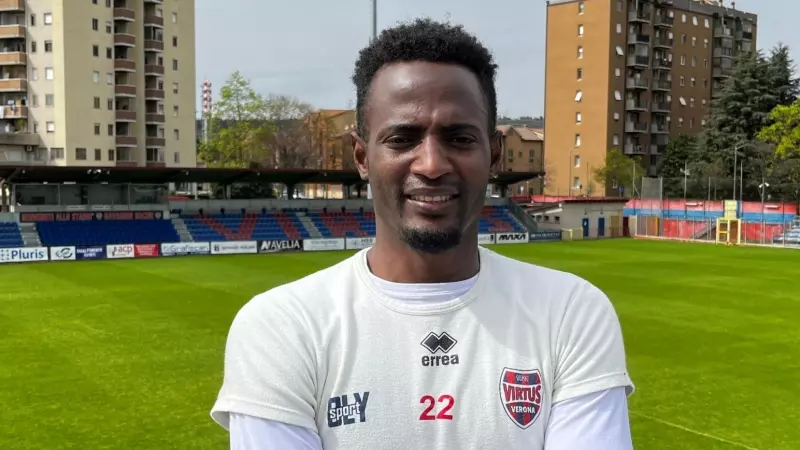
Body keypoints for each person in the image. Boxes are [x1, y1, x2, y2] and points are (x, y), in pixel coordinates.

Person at [211, 18, 635, 449]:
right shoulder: (281, 326)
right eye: (402, 139)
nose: (431, 165)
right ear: (362, 156)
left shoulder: (570, 313)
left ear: (496, 156)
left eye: (459, 138)